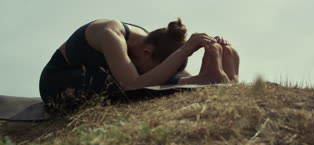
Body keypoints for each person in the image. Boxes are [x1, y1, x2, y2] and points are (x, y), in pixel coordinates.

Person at [39, 18, 240, 107]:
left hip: (101, 75)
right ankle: (206, 79)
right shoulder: (110, 34)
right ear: (146, 52)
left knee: (157, 78)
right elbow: (132, 85)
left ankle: (211, 76)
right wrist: (185, 50)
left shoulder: (151, 42)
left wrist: (195, 74)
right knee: (123, 86)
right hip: (58, 81)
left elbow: (167, 71)